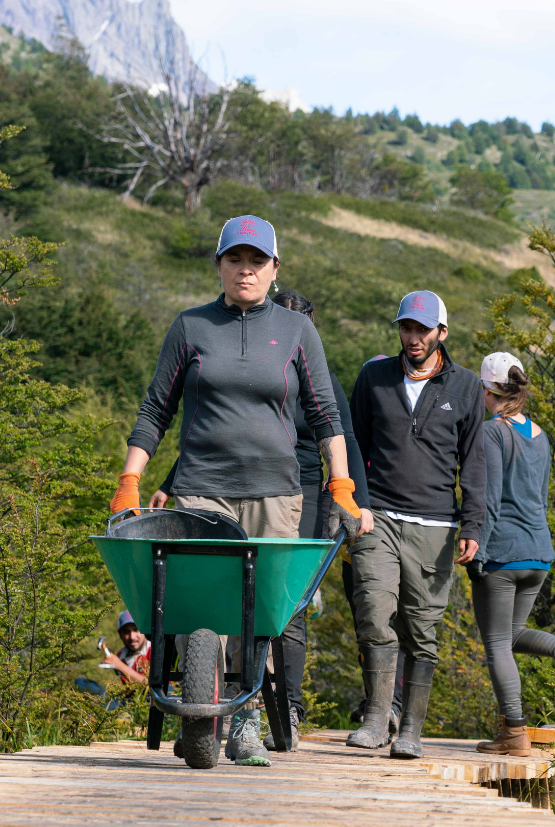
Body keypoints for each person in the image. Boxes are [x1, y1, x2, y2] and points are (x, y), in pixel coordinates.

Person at [111, 214, 363, 768]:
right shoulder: (190, 327)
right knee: (203, 605)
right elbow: (156, 409)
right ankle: (202, 711)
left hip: (276, 492)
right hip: (202, 488)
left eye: (256, 261)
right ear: (219, 266)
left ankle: (246, 725)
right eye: (234, 260)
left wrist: (341, 485)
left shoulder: (298, 332)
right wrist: (129, 480)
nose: (245, 270)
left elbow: (325, 416)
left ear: (275, 269)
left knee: (262, 612)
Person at [151, 289, 374, 750]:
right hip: (219, 482)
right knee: (208, 598)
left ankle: (279, 706)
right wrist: (170, 482)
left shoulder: (314, 371)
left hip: (301, 487)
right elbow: (211, 426)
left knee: (277, 604)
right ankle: (203, 703)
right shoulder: (215, 341)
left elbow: (341, 435)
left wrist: (351, 497)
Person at [345, 290, 486, 759]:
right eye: (407, 328)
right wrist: (354, 504)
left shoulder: (465, 386)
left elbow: (475, 460)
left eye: (423, 329)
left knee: (422, 630)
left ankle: (410, 730)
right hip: (378, 515)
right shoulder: (374, 376)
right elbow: (352, 444)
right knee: (372, 611)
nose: (413, 337)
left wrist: (473, 524)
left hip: (436, 526)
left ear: (442, 333)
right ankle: (375, 718)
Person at [468, 352, 555, 756]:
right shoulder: (541, 434)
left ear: (488, 390)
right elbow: (539, 497)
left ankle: (513, 732)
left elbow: (489, 499)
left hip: (502, 553)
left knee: (496, 643)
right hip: (538, 552)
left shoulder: (490, 432)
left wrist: (478, 549)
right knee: (510, 635)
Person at [101, 610, 152, 686]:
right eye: (126, 632)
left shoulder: (154, 652)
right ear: (120, 635)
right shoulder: (121, 654)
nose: (132, 637)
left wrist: (120, 666)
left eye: (136, 629)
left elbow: (154, 687)